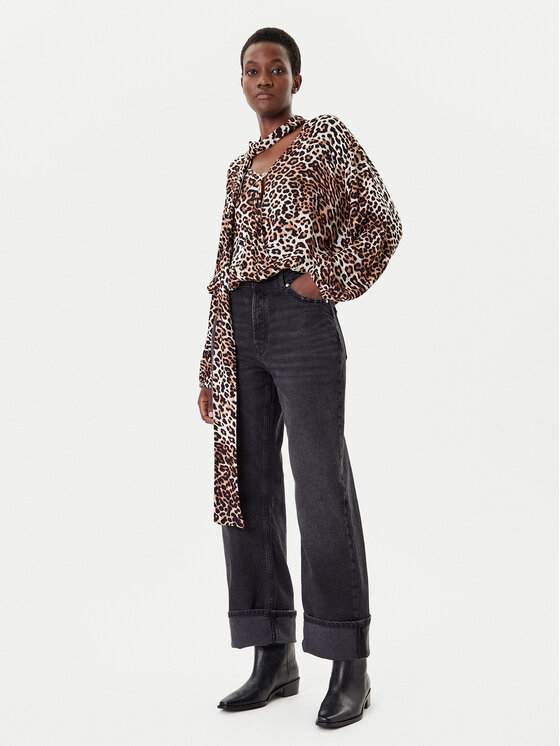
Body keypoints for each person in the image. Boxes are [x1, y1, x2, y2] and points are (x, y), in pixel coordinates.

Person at [197, 26, 403, 729]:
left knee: (320, 485)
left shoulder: (326, 140)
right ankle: (272, 654)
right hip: (239, 326)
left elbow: (382, 223)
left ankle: (349, 662)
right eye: (252, 70)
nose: (264, 79)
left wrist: (325, 281)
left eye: (276, 68)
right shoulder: (238, 170)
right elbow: (221, 267)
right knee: (248, 487)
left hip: (301, 320)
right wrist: (211, 361)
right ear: (242, 81)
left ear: (296, 78)